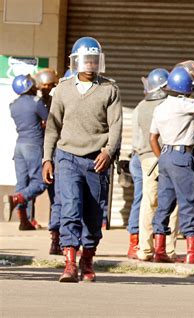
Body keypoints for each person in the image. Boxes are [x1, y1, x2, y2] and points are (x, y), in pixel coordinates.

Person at [42, 36, 123, 282]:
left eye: (94, 60)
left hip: (96, 161)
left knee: (93, 214)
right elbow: (53, 126)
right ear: (76, 61)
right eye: (86, 60)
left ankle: (87, 259)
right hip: (67, 158)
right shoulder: (63, 89)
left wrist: (108, 152)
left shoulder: (110, 89)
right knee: (70, 207)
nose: (90, 65)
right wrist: (47, 158)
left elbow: (116, 125)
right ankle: (69, 264)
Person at [149, 62, 194, 265]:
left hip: (166, 156)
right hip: (181, 156)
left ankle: (159, 250)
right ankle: (192, 253)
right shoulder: (182, 104)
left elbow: (153, 138)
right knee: (189, 203)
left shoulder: (160, 107)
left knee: (164, 205)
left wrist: (163, 158)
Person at [134, 68, 180, 262]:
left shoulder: (140, 107)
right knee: (172, 204)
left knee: (148, 202)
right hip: (166, 156)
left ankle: (145, 249)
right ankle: (168, 250)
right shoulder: (171, 105)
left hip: (146, 158)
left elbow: (136, 139)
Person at [5, 74, 48, 231]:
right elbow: (49, 121)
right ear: (27, 86)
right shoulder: (36, 103)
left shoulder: (13, 105)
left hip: (19, 146)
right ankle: (16, 199)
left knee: (22, 184)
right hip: (34, 144)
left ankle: (24, 221)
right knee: (40, 182)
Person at [35, 68, 62, 254]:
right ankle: (56, 239)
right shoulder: (39, 104)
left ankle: (58, 239)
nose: (46, 89)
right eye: (43, 86)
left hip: (58, 152)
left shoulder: (57, 101)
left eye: (48, 86)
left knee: (59, 199)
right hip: (50, 153)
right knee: (56, 198)